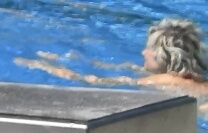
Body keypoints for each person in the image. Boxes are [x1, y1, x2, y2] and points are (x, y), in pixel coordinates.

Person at [23, 19, 208, 101]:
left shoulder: (161, 81)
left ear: (163, 55)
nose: (143, 52)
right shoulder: (194, 78)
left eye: (149, 49)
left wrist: (49, 68)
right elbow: (126, 69)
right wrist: (81, 60)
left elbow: (97, 82)